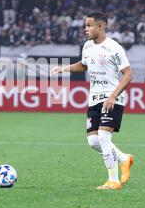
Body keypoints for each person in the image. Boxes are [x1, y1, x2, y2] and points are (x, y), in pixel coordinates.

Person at [51, 12, 134, 190]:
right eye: (85, 25)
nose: (85, 29)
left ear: (100, 27)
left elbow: (128, 74)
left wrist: (113, 96)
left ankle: (113, 180)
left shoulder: (114, 48)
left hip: (112, 98)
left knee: (104, 137)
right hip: (94, 98)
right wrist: (63, 69)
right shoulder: (88, 46)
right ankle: (124, 159)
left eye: (89, 25)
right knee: (94, 142)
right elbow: (84, 65)